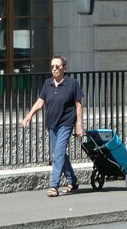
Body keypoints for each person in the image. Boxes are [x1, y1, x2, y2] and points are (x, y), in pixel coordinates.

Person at [22, 55, 84, 196]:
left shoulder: (72, 83)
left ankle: (54, 185)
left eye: (57, 66)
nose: (54, 69)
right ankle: (72, 180)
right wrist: (29, 115)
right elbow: (40, 102)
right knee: (59, 153)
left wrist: (79, 125)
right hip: (52, 123)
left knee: (58, 154)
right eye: (52, 67)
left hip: (66, 123)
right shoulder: (47, 83)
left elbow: (79, 105)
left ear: (64, 67)